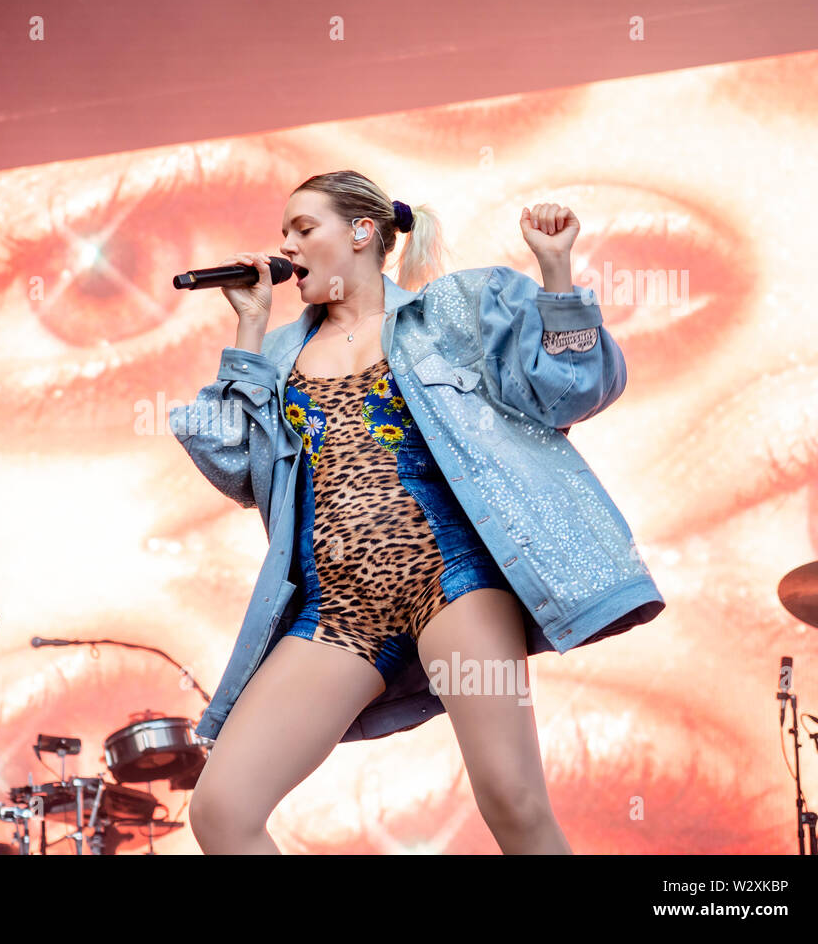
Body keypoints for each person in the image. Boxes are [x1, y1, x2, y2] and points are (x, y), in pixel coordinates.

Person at [171, 170, 664, 854]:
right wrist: (250, 330)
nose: (285, 244)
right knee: (221, 810)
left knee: (514, 800)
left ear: (362, 232)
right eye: (283, 233)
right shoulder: (279, 354)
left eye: (303, 229)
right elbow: (232, 466)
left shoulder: (451, 312)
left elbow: (571, 393)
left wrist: (555, 270)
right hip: (336, 611)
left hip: (450, 581)